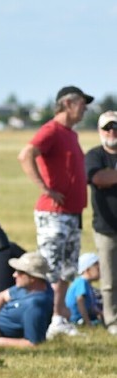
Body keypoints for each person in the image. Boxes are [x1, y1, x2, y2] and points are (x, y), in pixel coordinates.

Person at [18, 86, 92, 339]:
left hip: (71, 212)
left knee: (66, 269)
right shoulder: (51, 130)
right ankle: (46, 318)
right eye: (82, 103)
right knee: (51, 267)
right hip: (54, 213)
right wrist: (45, 189)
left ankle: (58, 317)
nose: (85, 108)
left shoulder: (70, 133)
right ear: (68, 104)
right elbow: (26, 154)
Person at [84, 110, 117, 335]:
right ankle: (112, 320)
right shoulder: (94, 155)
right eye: (107, 127)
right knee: (108, 278)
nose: (112, 131)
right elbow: (98, 178)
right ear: (100, 131)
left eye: (116, 127)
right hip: (106, 227)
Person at [0, 252, 54, 347]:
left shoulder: (35, 306)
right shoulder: (30, 287)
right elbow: (2, 296)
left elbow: (33, 343)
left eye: (19, 272)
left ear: (32, 278)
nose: (14, 275)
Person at [65, 253, 102, 326]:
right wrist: (88, 322)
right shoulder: (81, 282)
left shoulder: (86, 284)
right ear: (87, 270)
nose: (101, 272)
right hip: (78, 319)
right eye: (98, 269)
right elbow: (80, 301)